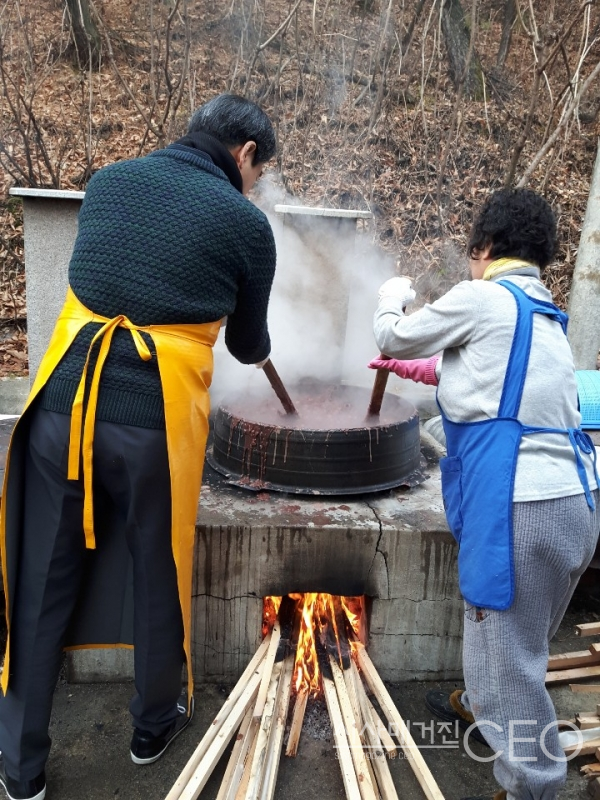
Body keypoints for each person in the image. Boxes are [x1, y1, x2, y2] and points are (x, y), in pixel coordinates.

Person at [0, 92, 277, 800]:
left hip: (61, 402)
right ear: (244, 156)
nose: (257, 186)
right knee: (158, 568)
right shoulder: (245, 223)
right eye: (260, 172)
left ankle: (18, 767)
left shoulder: (111, 181)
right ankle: (153, 724)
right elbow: (247, 346)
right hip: (149, 422)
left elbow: (104, 278)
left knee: (40, 582)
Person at [370, 188, 600, 800]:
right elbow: (485, 378)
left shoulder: (483, 295)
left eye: (471, 255)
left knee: (508, 661)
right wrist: (422, 370)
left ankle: (532, 786)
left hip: (519, 509)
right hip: (576, 507)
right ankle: (480, 701)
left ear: (485, 248)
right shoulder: (543, 314)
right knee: (519, 640)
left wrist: (391, 295)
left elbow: (393, 337)